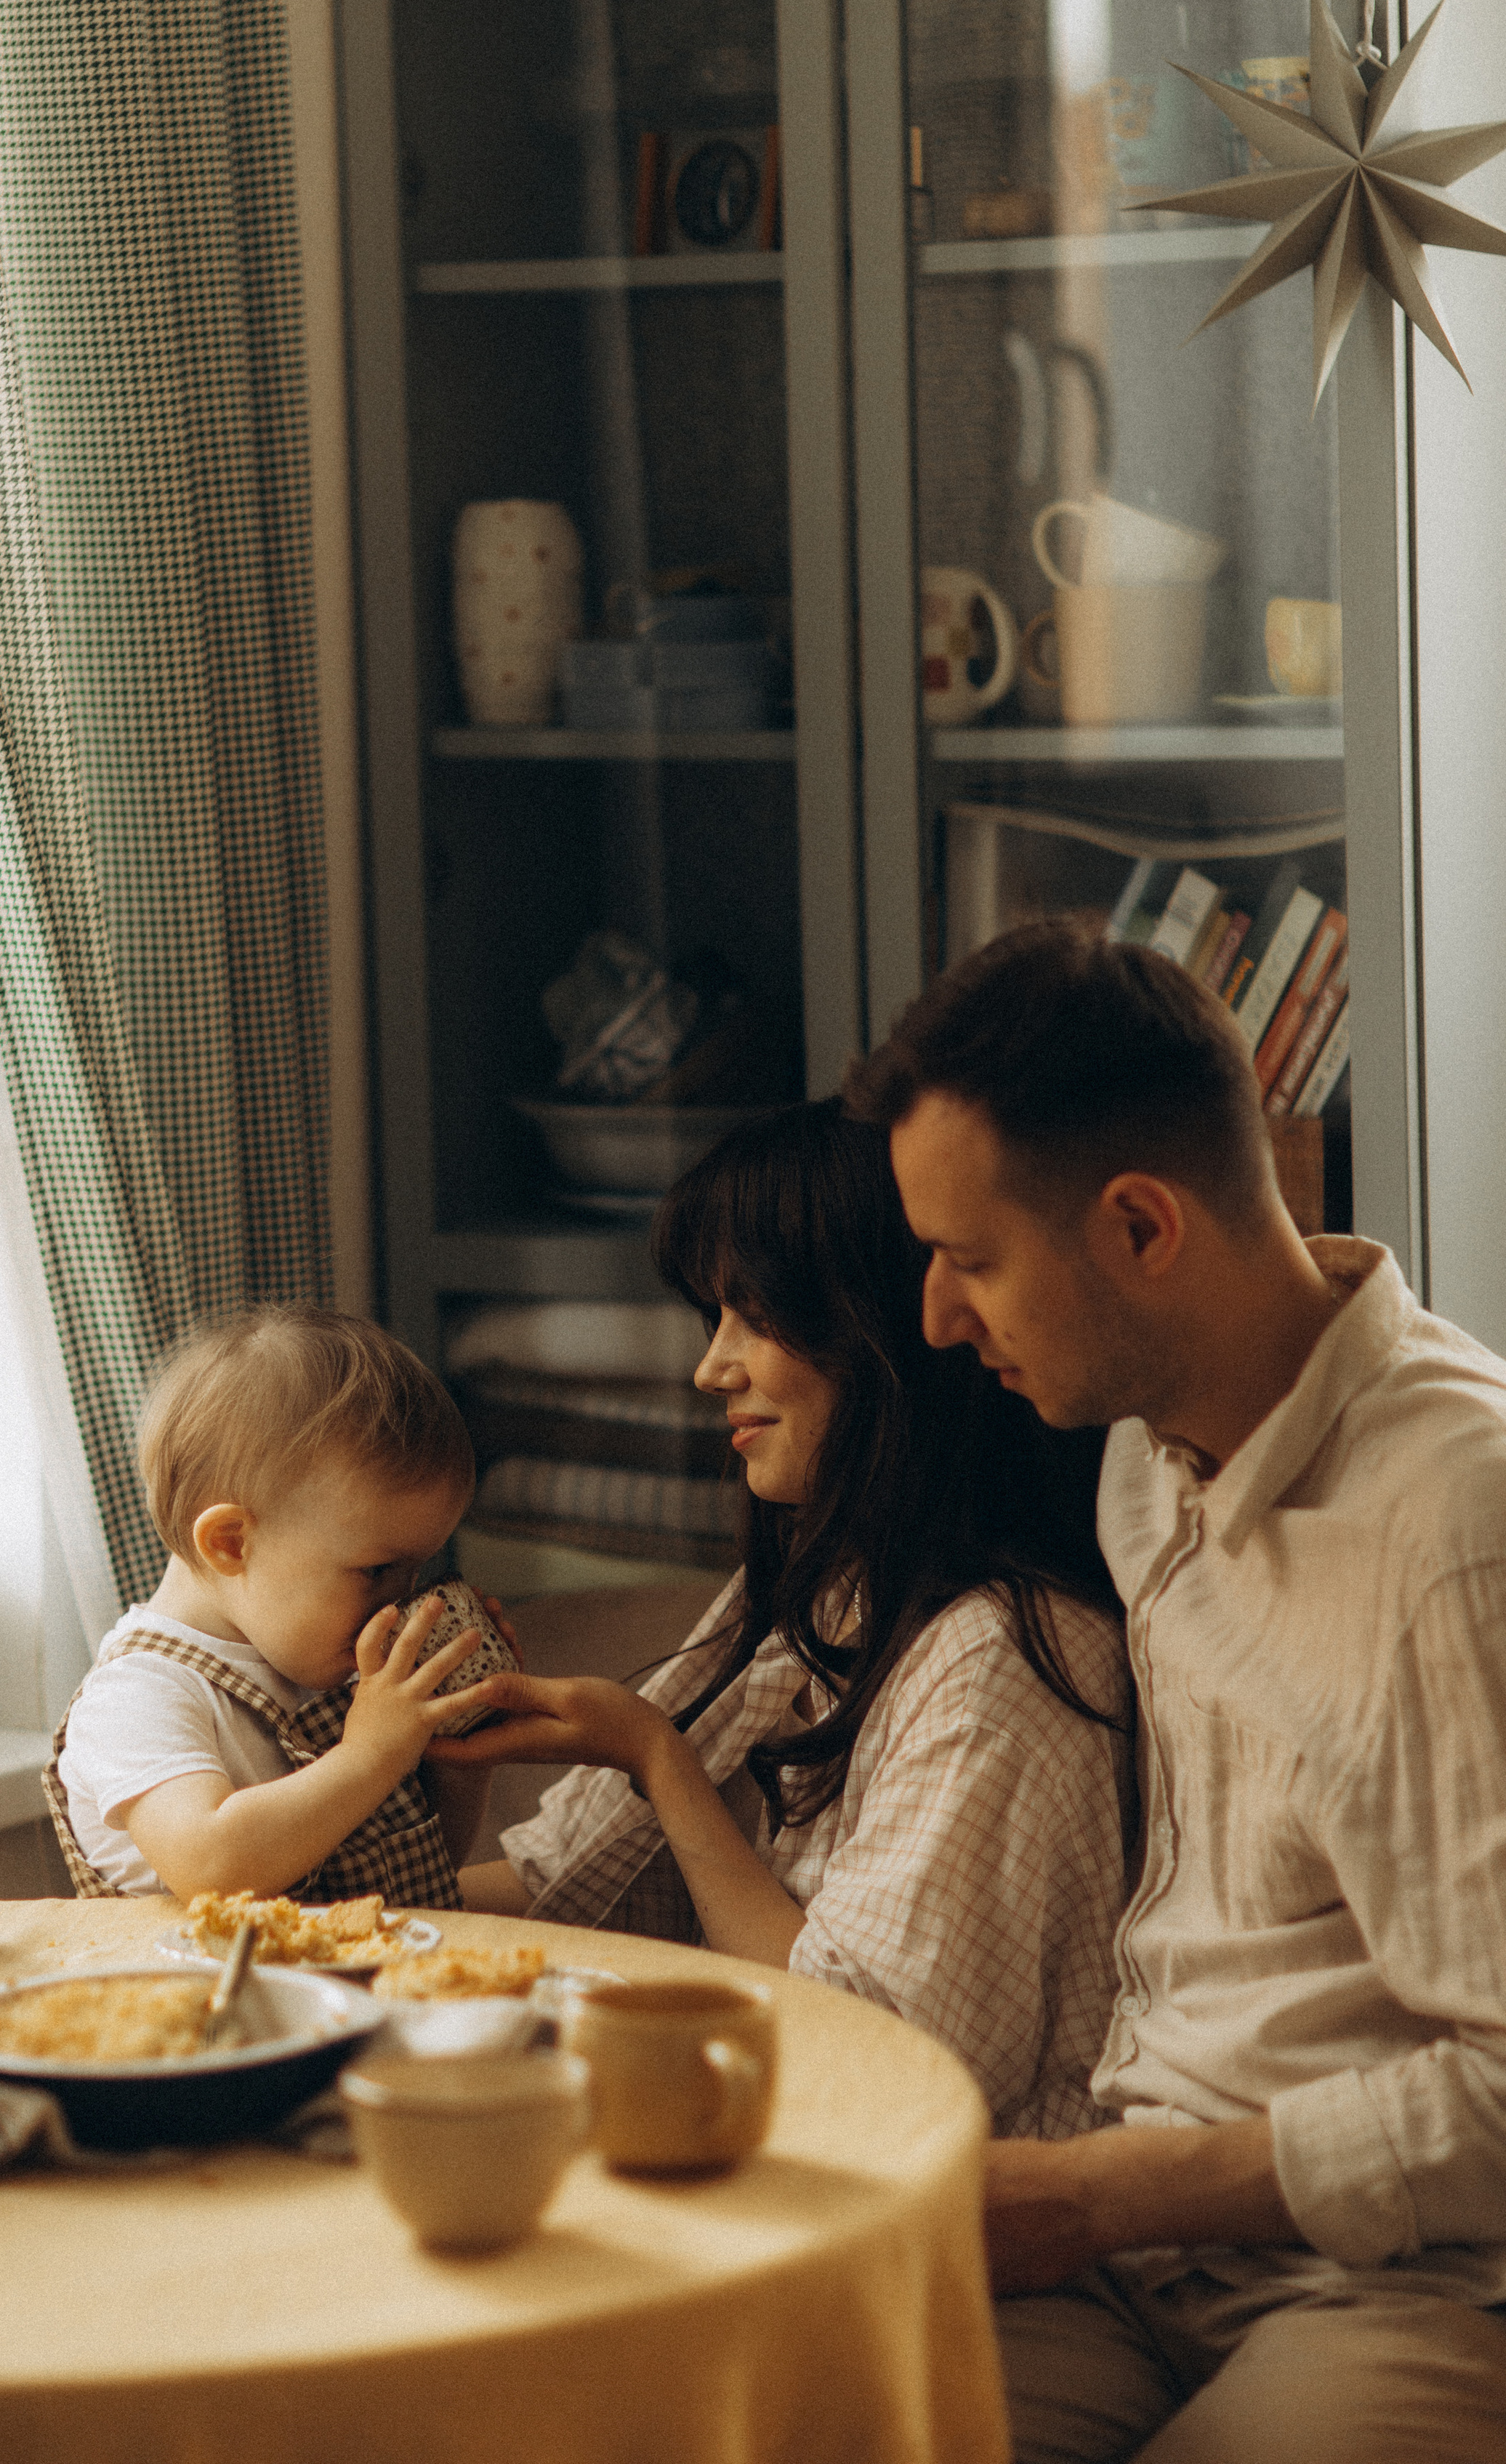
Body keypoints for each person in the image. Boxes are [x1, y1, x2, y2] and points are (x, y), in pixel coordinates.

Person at [862, 915, 1506, 2463]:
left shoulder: (1452, 1531)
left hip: (1403, 2283)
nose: (940, 1320)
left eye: (967, 1259)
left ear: (1142, 1228)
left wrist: (1091, 2192)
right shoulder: (1143, 1465)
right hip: (1138, 2253)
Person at [453, 1098, 1135, 2141]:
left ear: (880, 1333)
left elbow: (854, 2042)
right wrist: (341, 1897)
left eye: (754, 1317)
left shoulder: (1001, 1662)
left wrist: (658, 1759)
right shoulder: (832, 1584)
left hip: (950, 2206)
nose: (710, 1369)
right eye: (710, 1320)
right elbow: (557, 1879)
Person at [46, 1307, 496, 1906]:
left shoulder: (326, 1671)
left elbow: (421, 1875)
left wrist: (459, 1761)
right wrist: (370, 1757)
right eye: (377, 1571)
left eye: (417, 1571)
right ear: (231, 1543)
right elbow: (210, 1864)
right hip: (201, 1996)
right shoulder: (139, 1696)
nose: (403, 1602)